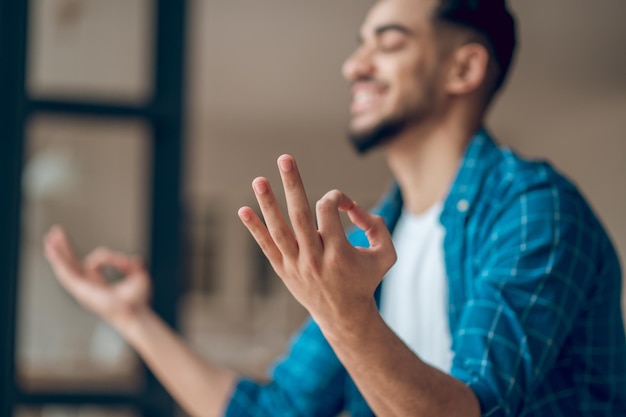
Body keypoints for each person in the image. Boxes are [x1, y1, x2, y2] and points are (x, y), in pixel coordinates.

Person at [44, 0, 626, 415]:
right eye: (360, 44)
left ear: (464, 68)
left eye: (389, 41)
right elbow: (275, 410)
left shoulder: (533, 212)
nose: (354, 66)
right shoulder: (371, 243)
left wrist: (343, 312)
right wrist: (131, 318)